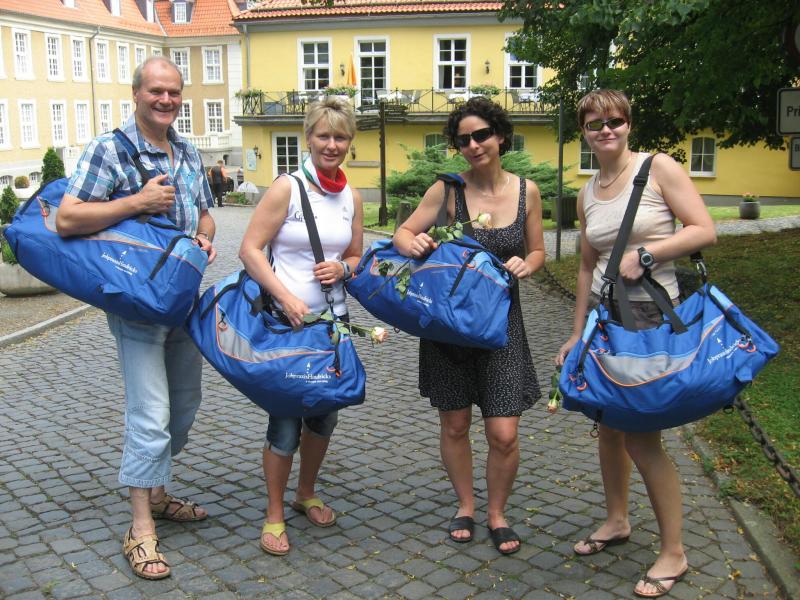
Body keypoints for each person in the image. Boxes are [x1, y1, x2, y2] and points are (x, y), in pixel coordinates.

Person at [56, 56, 217, 581]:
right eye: (156, 91)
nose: (166, 100)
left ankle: (160, 493)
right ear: (136, 94)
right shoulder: (110, 149)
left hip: (183, 298)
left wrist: (205, 237)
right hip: (136, 303)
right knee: (150, 413)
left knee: (184, 406)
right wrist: (137, 202)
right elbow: (68, 217)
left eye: (174, 92)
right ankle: (141, 526)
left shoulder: (187, 150)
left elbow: (206, 213)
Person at [555, 89, 716, 598]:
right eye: (595, 123)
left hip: (650, 318)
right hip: (606, 322)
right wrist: (576, 332)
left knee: (642, 438)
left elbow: (704, 230)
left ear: (628, 124)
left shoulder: (657, 168)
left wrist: (648, 255)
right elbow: (586, 267)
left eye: (615, 121)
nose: (606, 130)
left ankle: (675, 552)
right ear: (583, 131)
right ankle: (617, 519)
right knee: (608, 429)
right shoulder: (587, 191)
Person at [393, 97, 545, 555]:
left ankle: (498, 512)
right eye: (464, 140)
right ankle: (466, 505)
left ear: (501, 136)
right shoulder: (448, 189)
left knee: (504, 433)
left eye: (482, 135)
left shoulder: (527, 192)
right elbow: (403, 233)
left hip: (502, 325)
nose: (474, 145)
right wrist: (412, 242)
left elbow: (538, 250)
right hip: (451, 325)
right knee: (456, 424)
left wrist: (528, 264)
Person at [239, 97, 363, 556]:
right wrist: (285, 296)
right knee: (285, 421)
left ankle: (305, 492)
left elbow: (355, 254)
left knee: (324, 415)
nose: (332, 145)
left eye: (340, 137)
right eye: (323, 135)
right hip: (286, 325)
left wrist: (345, 269)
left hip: (332, 326)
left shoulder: (351, 197)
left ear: (350, 141)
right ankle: (273, 512)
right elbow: (250, 250)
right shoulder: (286, 189)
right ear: (308, 138)